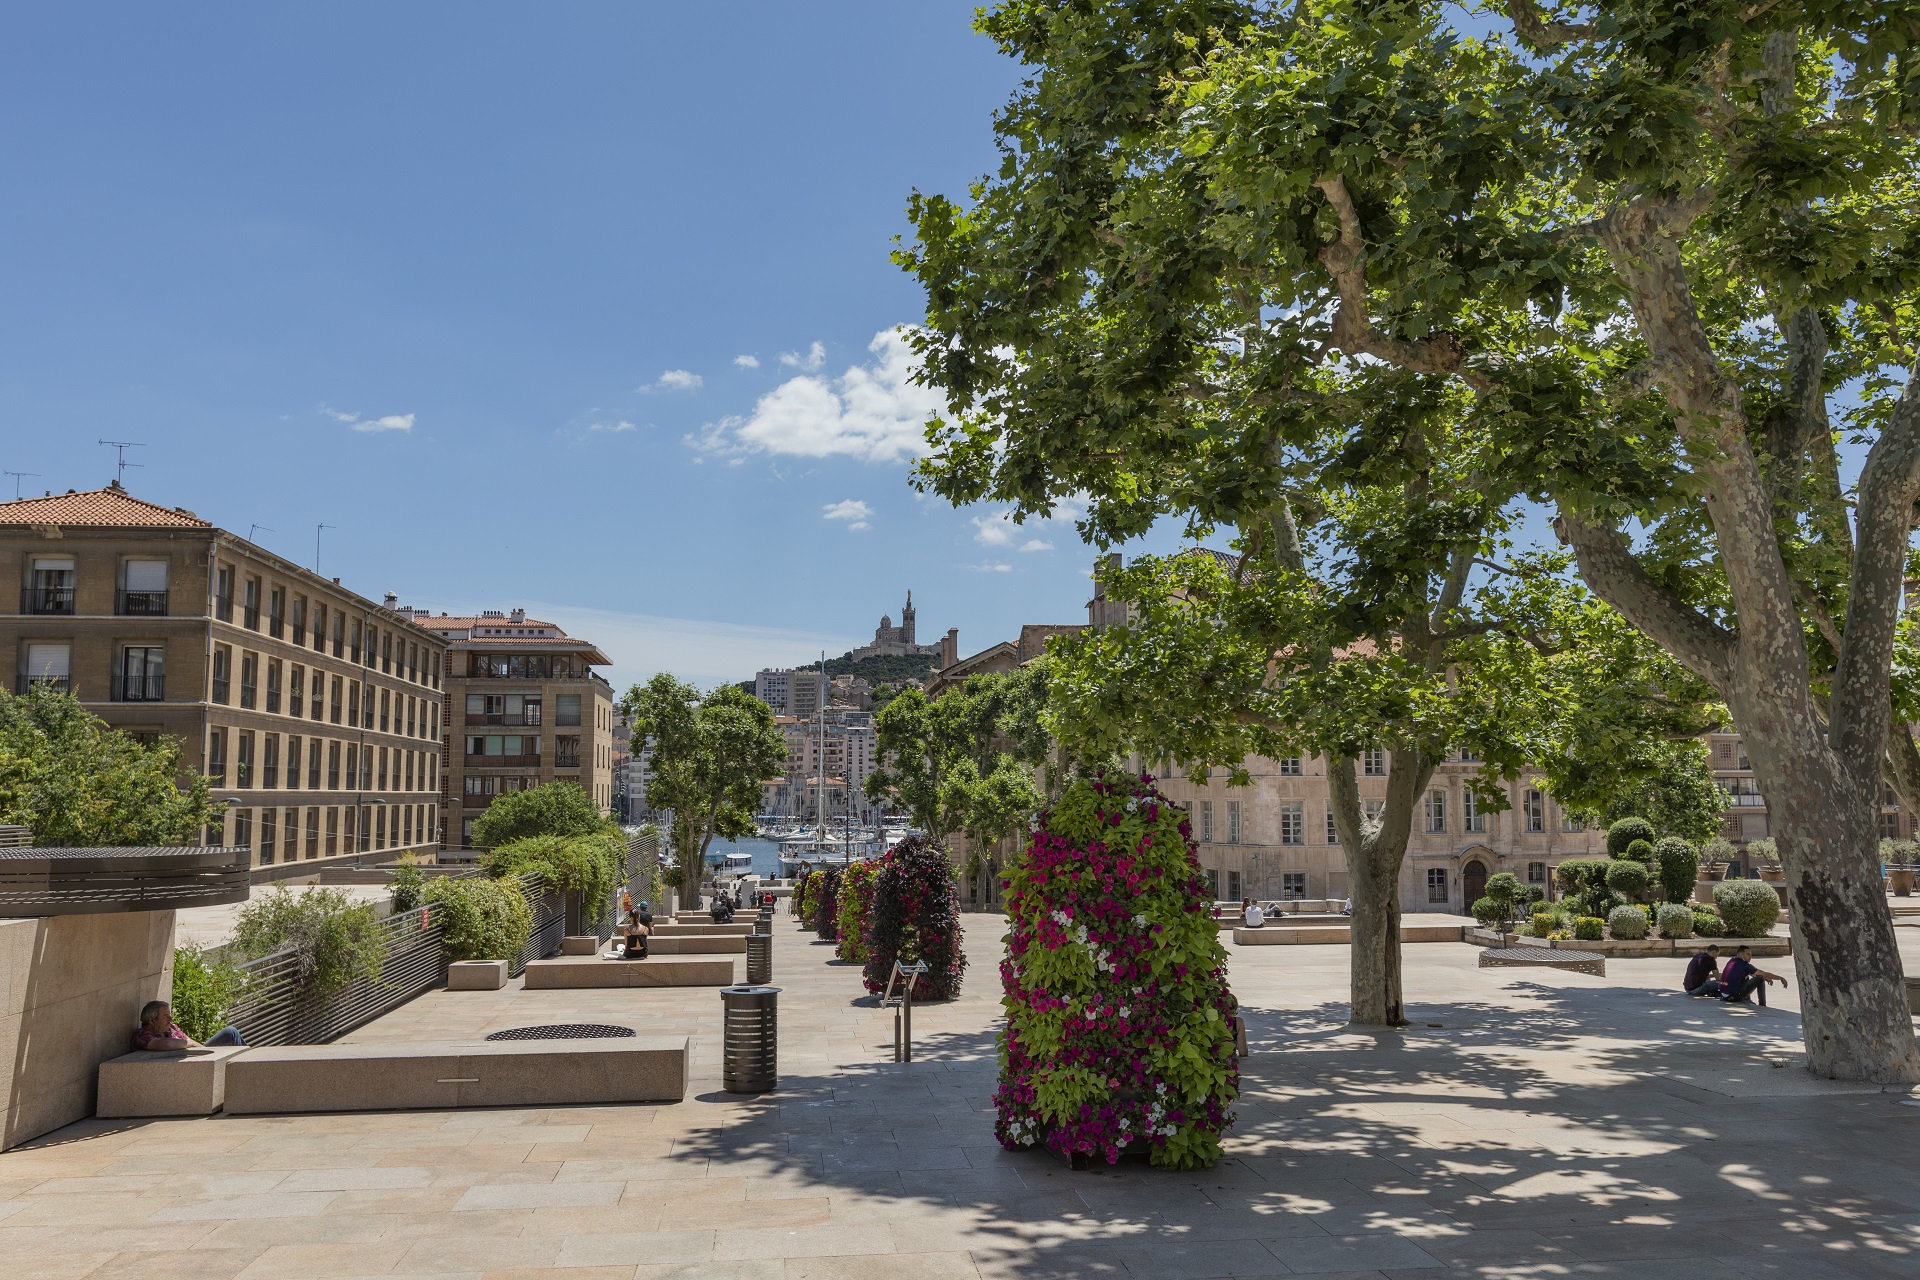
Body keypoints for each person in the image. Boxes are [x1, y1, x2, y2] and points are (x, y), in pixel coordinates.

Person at [132, 1000, 243, 1052]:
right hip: (182, 1070)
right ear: (152, 1020)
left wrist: (208, 1053)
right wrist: (188, 1044)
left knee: (230, 1032)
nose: (170, 1020)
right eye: (165, 1016)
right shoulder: (143, 1035)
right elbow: (166, 1044)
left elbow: (191, 1041)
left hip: (194, 1057)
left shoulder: (171, 1028)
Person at [1719, 945, 1789, 1006]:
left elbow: (1751, 973)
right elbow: (1763, 973)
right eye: (1748, 954)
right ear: (1741, 955)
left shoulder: (1732, 961)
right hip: (1733, 997)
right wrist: (1780, 978)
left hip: (1723, 995)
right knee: (1760, 978)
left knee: (1747, 976)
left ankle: (1747, 1000)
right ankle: (1762, 1004)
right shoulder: (1744, 964)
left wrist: (1766, 978)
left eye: (1751, 954)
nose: (1750, 957)